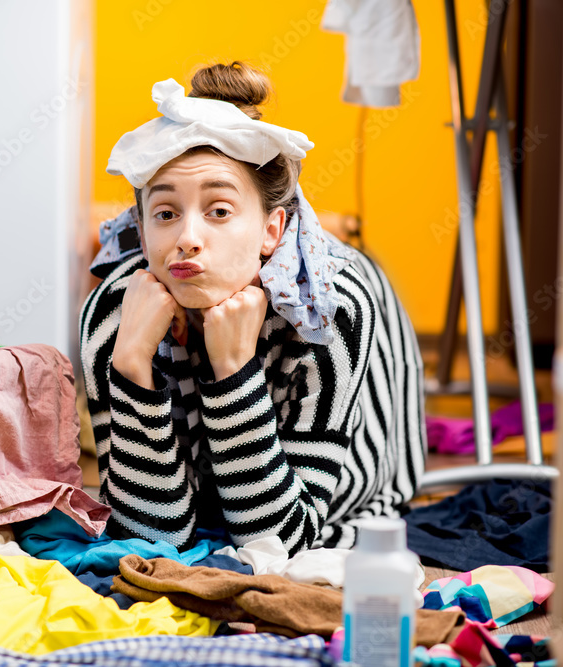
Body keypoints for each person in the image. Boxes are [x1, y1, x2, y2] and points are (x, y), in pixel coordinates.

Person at [80, 62, 426, 555]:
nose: (187, 240)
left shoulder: (330, 311)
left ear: (271, 230)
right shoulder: (117, 308)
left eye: (219, 211)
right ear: (140, 224)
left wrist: (234, 371)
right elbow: (150, 535)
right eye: (165, 214)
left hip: (342, 470)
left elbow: (281, 541)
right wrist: (132, 363)